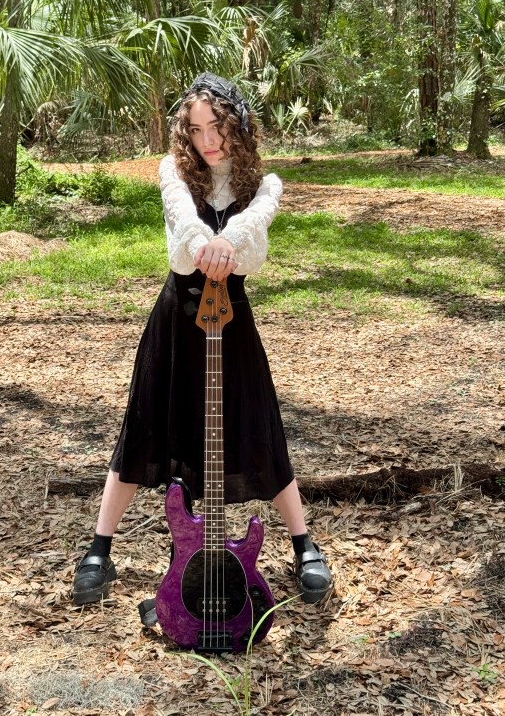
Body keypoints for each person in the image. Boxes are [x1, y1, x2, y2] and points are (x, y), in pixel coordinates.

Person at [72, 72, 332, 609]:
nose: (207, 140)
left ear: (238, 125)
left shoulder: (266, 185)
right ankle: (100, 548)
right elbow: (182, 233)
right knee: (146, 426)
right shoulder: (173, 171)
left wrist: (229, 239)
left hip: (232, 327)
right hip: (175, 326)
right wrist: (202, 242)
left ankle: (304, 545)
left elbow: (252, 239)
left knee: (257, 427)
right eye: (195, 130)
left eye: (217, 126)